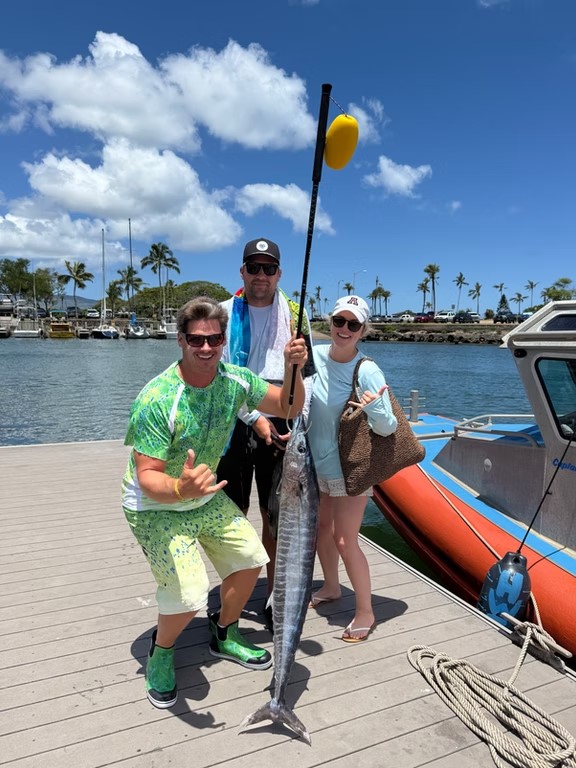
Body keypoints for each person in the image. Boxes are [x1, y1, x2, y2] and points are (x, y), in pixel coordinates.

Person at [121, 296, 308, 709]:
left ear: (224, 340)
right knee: (188, 593)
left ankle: (224, 632)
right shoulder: (157, 398)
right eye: (196, 339)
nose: (205, 348)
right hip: (155, 505)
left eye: (214, 339)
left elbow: (289, 405)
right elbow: (146, 476)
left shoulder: (235, 379)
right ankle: (162, 652)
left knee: (250, 557)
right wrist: (179, 490)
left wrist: (294, 366)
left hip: (202, 494)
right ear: (181, 341)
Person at [217, 237, 315, 630]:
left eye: (268, 268)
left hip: (283, 419)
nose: (261, 275)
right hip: (234, 419)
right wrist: (254, 416)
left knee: (277, 516)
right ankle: (231, 601)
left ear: (279, 274)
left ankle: (275, 597)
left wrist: (298, 425)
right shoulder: (224, 313)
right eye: (253, 267)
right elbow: (220, 378)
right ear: (241, 271)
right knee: (232, 516)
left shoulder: (295, 314)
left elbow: (304, 377)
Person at [307, 295, 397, 642]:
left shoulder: (367, 370)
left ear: (362, 331)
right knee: (321, 529)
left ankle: (366, 611)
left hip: (351, 468)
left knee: (346, 540)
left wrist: (374, 408)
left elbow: (388, 426)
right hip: (317, 464)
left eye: (353, 324)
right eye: (339, 321)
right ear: (329, 323)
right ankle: (331, 587)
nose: (344, 329)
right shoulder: (314, 357)